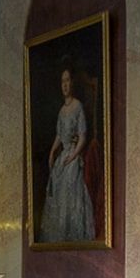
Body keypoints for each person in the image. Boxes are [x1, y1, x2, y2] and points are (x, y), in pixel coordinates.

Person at [38, 64, 97, 243]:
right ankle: (60, 236)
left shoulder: (77, 106)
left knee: (70, 181)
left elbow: (83, 136)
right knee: (57, 184)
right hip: (63, 155)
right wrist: (52, 151)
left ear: (72, 83)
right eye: (62, 81)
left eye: (68, 80)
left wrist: (72, 156)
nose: (65, 85)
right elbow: (59, 135)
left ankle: (72, 234)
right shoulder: (62, 110)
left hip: (73, 154)